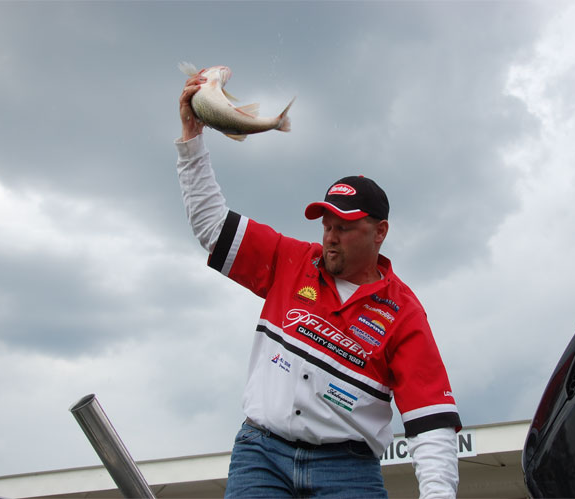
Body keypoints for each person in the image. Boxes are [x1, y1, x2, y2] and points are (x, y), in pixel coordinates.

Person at [175, 70, 461, 498]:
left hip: (347, 470)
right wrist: (192, 138)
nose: (330, 237)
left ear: (380, 232)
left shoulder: (404, 312)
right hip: (261, 454)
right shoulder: (292, 259)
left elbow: (431, 419)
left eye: (344, 228)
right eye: (326, 225)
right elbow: (211, 227)